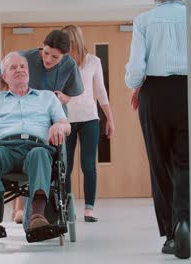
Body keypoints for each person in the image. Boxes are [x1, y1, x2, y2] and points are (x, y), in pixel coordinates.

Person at [0, 52, 71, 232]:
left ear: (28, 73)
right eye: (13, 67)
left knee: (40, 154)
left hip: (37, 147)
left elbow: (66, 125)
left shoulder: (47, 97)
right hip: (4, 149)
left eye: (23, 67)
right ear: (5, 76)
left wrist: (59, 127)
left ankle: (37, 214)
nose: (19, 70)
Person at [0, 30, 84, 224]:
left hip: (52, 113)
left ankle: (48, 206)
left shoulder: (69, 66)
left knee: (55, 159)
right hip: (23, 111)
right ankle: (19, 208)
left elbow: (71, 95)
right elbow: (2, 76)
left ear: (64, 56)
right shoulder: (25, 58)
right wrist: (0, 101)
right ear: (42, 47)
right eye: (46, 53)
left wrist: (60, 98)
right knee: (20, 144)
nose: (49, 59)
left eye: (55, 57)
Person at [125, 0, 189, 259]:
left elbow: (137, 69)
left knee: (159, 163)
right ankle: (187, 223)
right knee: (186, 163)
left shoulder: (144, 20)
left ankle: (172, 235)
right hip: (190, 91)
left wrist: (135, 83)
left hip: (155, 93)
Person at [61, 25, 115, 222]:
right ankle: (67, 209)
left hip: (89, 119)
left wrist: (110, 118)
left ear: (76, 41)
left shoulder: (93, 61)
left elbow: (100, 91)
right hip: (65, 120)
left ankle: (89, 209)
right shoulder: (61, 62)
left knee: (88, 165)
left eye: (67, 42)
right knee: (65, 167)